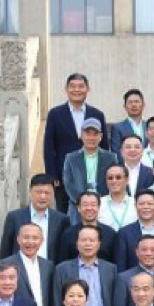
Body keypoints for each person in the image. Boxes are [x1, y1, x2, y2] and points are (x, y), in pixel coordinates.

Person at [44, 73, 108, 212]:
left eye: (81, 86)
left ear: (88, 89)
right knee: (65, 213)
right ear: (66, 89)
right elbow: (48, 147)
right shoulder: (55, 114)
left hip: (93, 173)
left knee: (95, 211)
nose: (77, 90)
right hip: (64, 175)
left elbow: (104, 146)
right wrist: (52, 175)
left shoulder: (97, 114)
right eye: (72, 86)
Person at [0, 174, 69, 264]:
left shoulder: (62, 220)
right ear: (30, 192)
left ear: (53, 193)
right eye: (39, 192)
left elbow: (64, 252)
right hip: (19, 270)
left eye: (47, 193)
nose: (43, 196)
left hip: (51, 270)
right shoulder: (14, 217)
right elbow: (6, 250)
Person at [62, 118, 118, 223]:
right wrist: (81, 202)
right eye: (87, 133)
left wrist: (101, 202)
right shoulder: (71, 158)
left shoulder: (110, 158)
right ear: (81, 135)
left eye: (95, 134)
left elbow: (114, 181)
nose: (91, 138)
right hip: (77, 207)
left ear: (101, 137)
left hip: (104, 206)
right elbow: (68, 184)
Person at [115, 189, 154, 274]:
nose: (145, 207)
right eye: (141, 204)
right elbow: (121, 265)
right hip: (133, 280)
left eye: (150, 204)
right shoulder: (124, 232)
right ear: (135, 206)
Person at [58, 191, 117, 263]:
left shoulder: (110, 233)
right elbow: (63, 264)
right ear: (78, 208)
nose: (89, 208)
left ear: (99, 207)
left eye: (93, 205)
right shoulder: (68, 234)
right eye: (85, 205)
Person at [98, 165, 137, 232]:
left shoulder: (136, 203)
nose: (114, 181)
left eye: (118, 177)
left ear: (127, 180)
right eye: (110, 178)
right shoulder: (99, 203)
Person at [110, 89, 148, 158]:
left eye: (136, 102)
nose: (133, 105)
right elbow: (116, 153)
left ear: (143, 105)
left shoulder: (149, 126)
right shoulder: (117, 128)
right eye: (130, 102)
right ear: (125, 106)